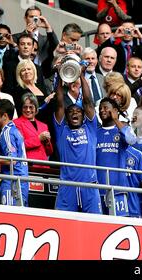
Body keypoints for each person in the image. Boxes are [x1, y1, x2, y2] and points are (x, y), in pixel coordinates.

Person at [53, 68, 102, 214]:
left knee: (94, 225)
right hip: (68, 186)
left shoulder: (90, 128)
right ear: (66, 117)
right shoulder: (62, 130)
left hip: (89, 185)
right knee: (63, 225)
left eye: (78, 112)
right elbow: (60, 103)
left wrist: (81, 74)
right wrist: (60, 76)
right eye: (71, 112)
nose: (75, 113)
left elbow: (88, 102)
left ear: (83, 116)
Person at [96, 97, 142, 217]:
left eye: (105, 108)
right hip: (97, 189)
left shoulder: (123, 129)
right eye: (100, 108)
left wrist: (115, 119)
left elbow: (131, 140)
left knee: (119, 224)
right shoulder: (96, 132)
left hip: (118, 189)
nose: (102, 111)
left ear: (114, 110)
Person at [13, 93, 53, 168]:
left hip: (44, 166)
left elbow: (49, 152)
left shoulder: (43, 126)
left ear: (36, 108)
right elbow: (19, 145)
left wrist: (47, 141)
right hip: (28, 166)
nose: (28, 110)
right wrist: (39, 139)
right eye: (25, 107)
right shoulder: (16, 123)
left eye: (31, 107)